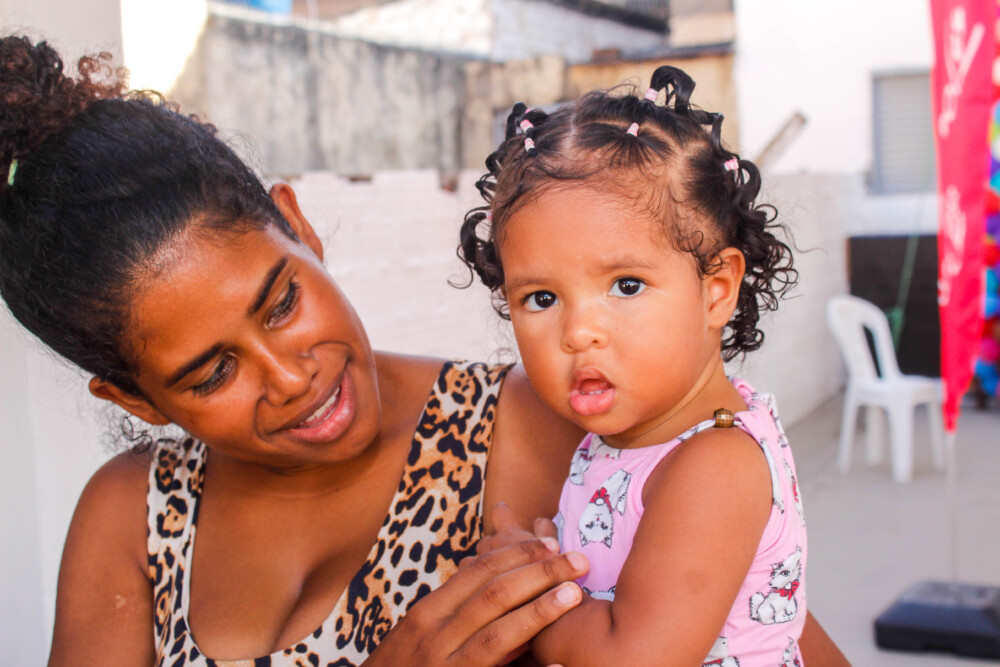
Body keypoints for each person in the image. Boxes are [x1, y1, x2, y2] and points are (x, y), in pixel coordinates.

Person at [0, 37, 846, 665]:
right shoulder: (131, 518)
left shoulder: (542, 424)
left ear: (299, 227)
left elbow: (765, 629)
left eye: (282, 301)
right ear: (136, 399)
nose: (291, 375)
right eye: (213, 371)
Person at [458, 66, 816, 665]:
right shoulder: (632, 437)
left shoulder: (714, 465)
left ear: (717, 289)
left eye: (626, 285)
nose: (579, 332)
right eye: (541, 298)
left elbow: (633, 657)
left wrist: (531, 594)